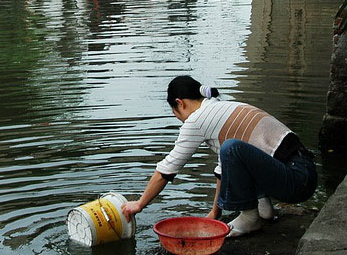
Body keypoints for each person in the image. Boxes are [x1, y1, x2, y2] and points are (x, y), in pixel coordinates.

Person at [122, 75, 317, 237]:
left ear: (179, 103)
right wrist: (215, 213)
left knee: (232, 148)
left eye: (176, 113)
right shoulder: (222, 108)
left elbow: (167, 169)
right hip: (302, 170)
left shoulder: (197, 120)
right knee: (232, 151)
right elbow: (223, 170)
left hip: (297, 180)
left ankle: (250, 218)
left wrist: (139, 204)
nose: (180, 120)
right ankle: (262, 207)